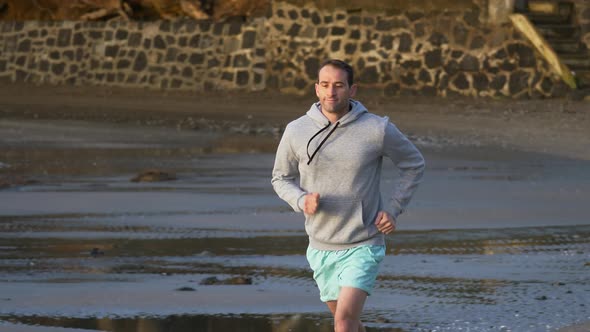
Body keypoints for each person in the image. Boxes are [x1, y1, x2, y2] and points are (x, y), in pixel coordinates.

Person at [271, 59, 425, 332]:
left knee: (343, 323)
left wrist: (393, 208)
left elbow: (413, 164)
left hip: (364, 241)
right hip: (320, 245)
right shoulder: (296, 130)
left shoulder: (376, 129)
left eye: (339, 86)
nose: (332, 92)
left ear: (352, 90)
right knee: (349, 322)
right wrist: (300, 200)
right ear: (317, 89)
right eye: (326, 85)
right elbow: (280, 178)